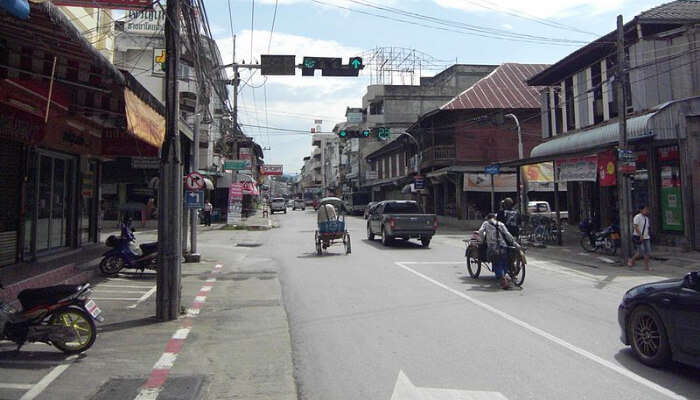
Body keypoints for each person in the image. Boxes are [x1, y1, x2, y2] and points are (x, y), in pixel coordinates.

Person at [479, 213, 520, 289]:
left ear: (488, 218)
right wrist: (514, 243)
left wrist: (481, 241)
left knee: (496, 263)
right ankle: (504, 276)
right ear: (495, 218)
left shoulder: (485, 223)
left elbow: (480, 231)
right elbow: (507, 234)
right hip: (503, 246)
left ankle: (502, 279)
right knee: (504, 261)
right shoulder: (500, 224)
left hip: (492, 247)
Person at [628, 205, 651, 270]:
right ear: (641, 210)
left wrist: (647, 235)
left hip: (646, 237)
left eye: (647, 210)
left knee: (648, 251)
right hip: (639, 236)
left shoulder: (646, 218)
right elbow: (635, 226)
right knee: (641, 251)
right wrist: (640, 235)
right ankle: (631, 260)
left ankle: (646, 266)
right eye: (645, 209)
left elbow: (647, 228)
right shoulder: (637, 217)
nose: (646, 211)